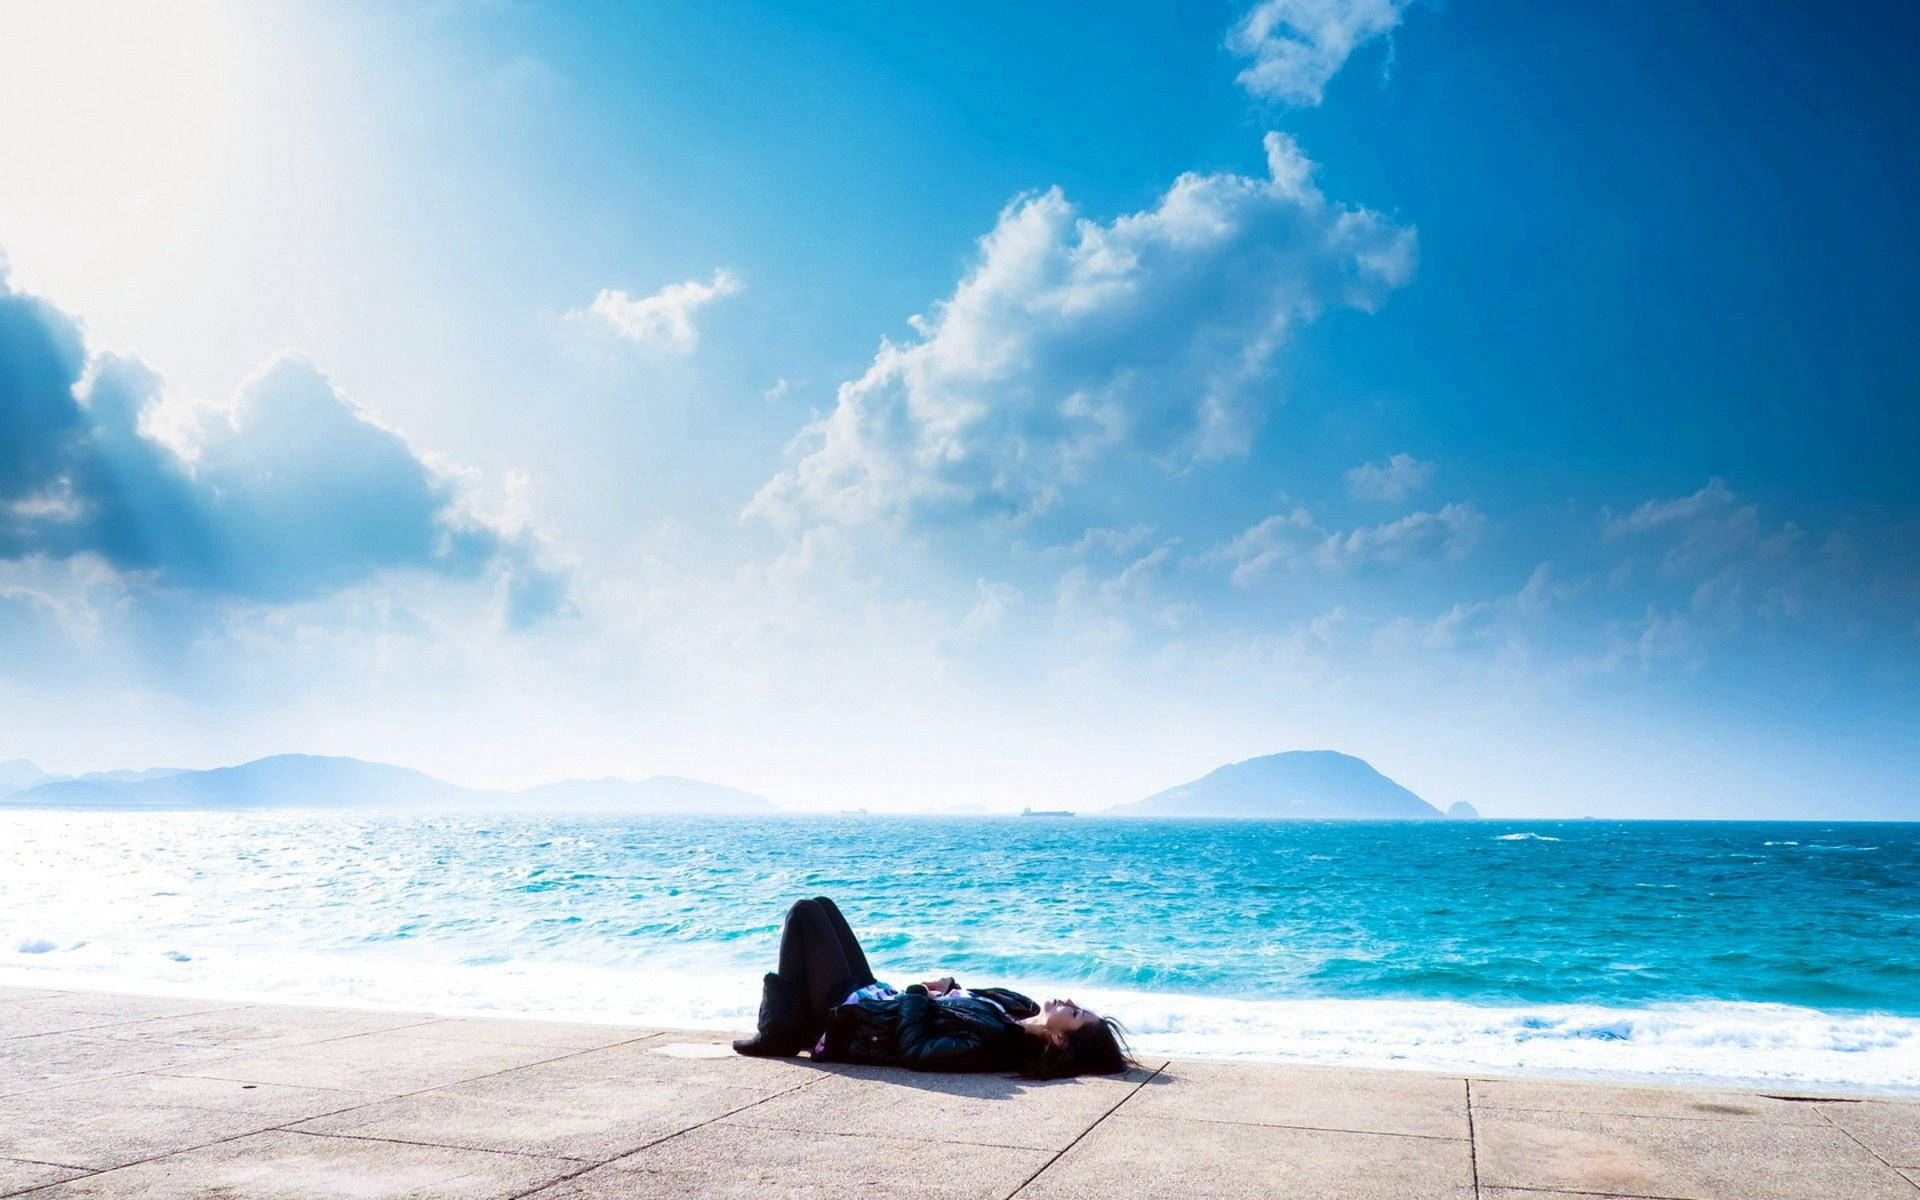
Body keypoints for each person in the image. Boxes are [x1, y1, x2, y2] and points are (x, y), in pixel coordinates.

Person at [732, 896, 1134, 1078]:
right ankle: (788, 1025)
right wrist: (952, 986)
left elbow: (917, 1051)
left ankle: (779, 1034)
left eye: (1076, 1013)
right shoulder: (1019, 1009)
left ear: (1060, 1041)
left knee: (805, 913)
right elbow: (967, 1002)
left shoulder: (992, 1044)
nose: (1070, 1002)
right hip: (874, 1001)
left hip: (850, 1021)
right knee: (823, 905)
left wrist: (918, 995)